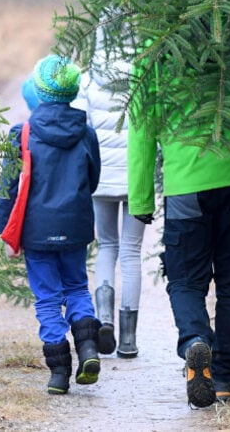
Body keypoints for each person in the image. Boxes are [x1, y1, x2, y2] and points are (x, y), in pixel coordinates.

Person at [127, 48, 230, 407]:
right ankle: (224, 378)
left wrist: (141, 200)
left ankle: (194, 342)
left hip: (187, 184)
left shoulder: (156, 52)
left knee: (186, 278)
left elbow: (142, 130)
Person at [0, 55, 102, 395]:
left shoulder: (22, 134)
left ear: (39, 92)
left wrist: (6, 232)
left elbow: (8, 191)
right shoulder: (86, 134)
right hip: (75, 227)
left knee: (46, 298)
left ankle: (59, 372)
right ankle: (88, 349)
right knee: (77, 288)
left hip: (36, 231)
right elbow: (93, 179)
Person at [71, 50, 149, 359]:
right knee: (131, 251)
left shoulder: (88, 81)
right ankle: (128, 340)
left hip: (100, 178)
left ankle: (104, 320)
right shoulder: (142, 76)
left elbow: (81, 128)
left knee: (106, 246)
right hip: (136, 178)